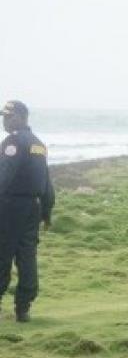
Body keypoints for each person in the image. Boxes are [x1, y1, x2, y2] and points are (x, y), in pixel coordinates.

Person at [0, 101, 55, 322]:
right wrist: (47, 211)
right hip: (33, 207)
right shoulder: (39, 144)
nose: (5, 120)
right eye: (4, 116)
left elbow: (4, 176)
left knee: (3, 254)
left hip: (10, 207)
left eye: (9, 116)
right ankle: (23, 308)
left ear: (22, 117)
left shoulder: (12, 142)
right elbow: (46, 182)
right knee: (27, 257)